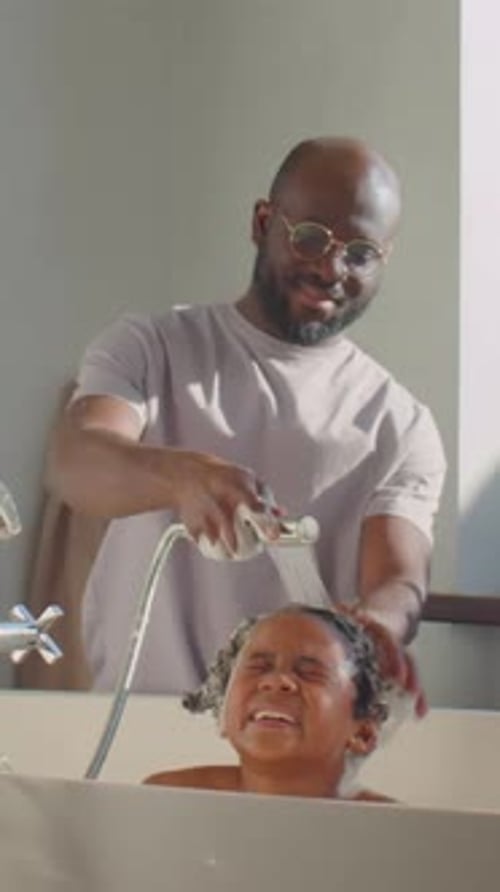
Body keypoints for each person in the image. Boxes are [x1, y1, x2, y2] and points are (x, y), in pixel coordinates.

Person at [48, 136, 446, 695]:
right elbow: (76, 463)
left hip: (296, 745)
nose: (333, 268)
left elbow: (398, 580)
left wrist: (377, 628)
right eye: (311, 238)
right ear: (263, 223)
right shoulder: (152, 348)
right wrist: (182, 476)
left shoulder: (399, 424)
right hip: (136, 727)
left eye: (361, 253)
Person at [144, 605, 399, 802]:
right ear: (222, 713)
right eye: (258, 667)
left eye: (310, 672)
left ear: (363, 733)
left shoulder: (392, 829)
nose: (276, 681)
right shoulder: (168, 799)